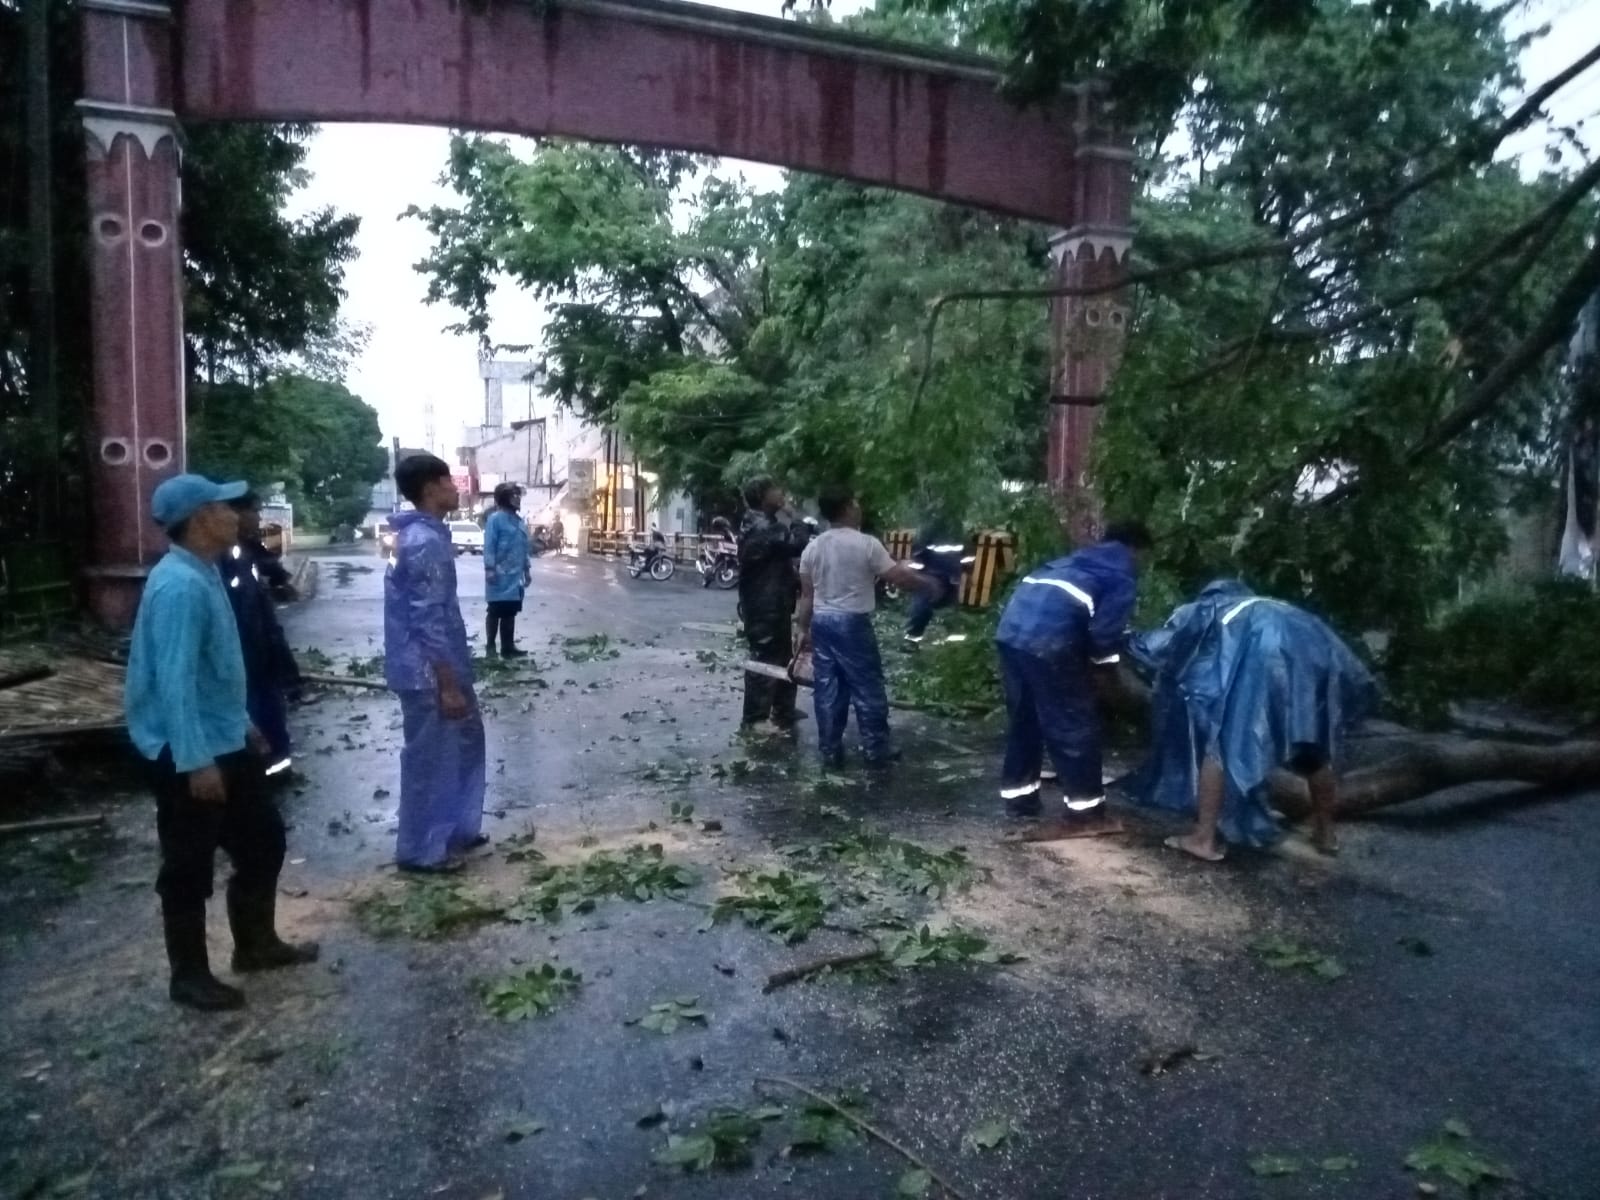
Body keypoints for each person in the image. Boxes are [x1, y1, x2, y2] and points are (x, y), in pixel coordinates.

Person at [125, 474, 319, 1012]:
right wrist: (196, 761)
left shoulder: (204, 571)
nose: (237, 515)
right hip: (186, 750)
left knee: (263, 842)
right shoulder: (180, 587)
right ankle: (188, 976)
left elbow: (215, 672)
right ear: (201, 519)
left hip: (222, 736)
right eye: (225, 507)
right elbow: (175, 681)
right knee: (188, 866)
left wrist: (243, 723)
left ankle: (255, 945)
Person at [1129, 579, 1377, 861]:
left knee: (1223, 741)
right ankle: (1326, 834)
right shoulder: (1275, 607)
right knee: (1312, 746)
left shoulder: (1215, 606)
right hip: (1315, 655)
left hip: (1263, 656)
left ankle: (1203, 839)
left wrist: (1126, 639)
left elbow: (1168, 640)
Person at [993, 521, 1153, 825]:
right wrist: (1107, 674)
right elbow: (1104, 636)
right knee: (1073, 724)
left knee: (1026, 720)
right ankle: (1086, 812)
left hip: (1011, 635)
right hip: (1050, 643)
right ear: (1136, 550)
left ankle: (1019, 801)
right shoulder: (1119, 576)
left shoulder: (1068, 563)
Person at [384, 453, 488, 871]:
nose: (456, 488)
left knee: (463, 746)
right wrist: (446, 682)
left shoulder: (421, 535)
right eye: (448, 481)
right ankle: (422, 850)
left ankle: (455, 830)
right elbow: (426, 616)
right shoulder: (423, 541)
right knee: (432, 759)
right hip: (428, 672)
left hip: (439, 666)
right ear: (430, 489)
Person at [795, 484, 933, 767]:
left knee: (828, 687)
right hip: (852, 623)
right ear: (847, 508)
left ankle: (830, 749)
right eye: (856, 503)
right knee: (867, 685)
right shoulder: (866, 544)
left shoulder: (813, 548)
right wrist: (929, 585)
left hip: (822, 622)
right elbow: (897, 577)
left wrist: (801, 628)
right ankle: (875, 748)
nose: (860, 508)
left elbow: (807, 595)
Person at [219, 491, 302, 774]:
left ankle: (277, 769)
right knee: (256, 721)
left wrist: (280, 582)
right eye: (253, 511)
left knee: (271, 717)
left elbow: (267, 573)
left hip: (262, 655)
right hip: (245, 659)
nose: (258, 518)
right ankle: (260, 772)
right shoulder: (224, 558)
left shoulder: (247, 550)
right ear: (235, 513)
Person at [737, 478, 811, 731]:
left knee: (783, 656)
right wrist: (795, 516)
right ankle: (755, 718)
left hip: (771, 601)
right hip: (764, 603)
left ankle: (783, 709)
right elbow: (798, 543)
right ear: (762, 495)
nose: (781, 493)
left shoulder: (762, 523)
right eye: (775, 489)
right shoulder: (764, 526)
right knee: (765, 657)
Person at [483, 482, 532, 658]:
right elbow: (489, 545)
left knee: (510, 611)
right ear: (504, 498)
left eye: (518, 495)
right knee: (495, 610)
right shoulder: (495, 519)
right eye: (514, 495)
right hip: (499, 573)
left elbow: (524, 547)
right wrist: (489, 568)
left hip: (515, 575)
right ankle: (490, 646)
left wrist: (527, 569)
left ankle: (508, 647)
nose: (518, 499)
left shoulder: (519, 521)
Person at [903, 525, 965, 645]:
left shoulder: (949, 528)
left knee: (935, 609)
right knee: (926, 609)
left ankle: (953, 643)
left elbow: (918, 554)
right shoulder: (949, 527)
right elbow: (918, 555)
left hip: (941, 578)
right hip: (938, 578)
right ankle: (912, 640)